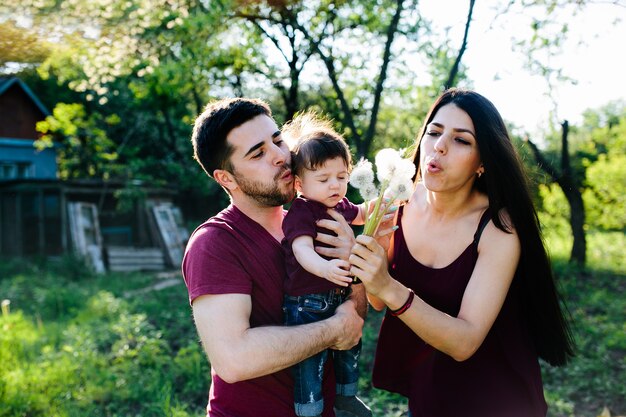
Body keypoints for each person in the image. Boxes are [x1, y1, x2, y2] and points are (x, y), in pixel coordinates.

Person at [348, 88, 575, 417]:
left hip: (498, 401)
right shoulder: (399, 200)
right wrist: (375, 266)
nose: (439, 146)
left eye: (461, 140)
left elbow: (464, 341)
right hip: (428, 395)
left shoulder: (498, 227)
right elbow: (380, 301)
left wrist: (387, 286)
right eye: (434, 132)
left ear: (482, 161)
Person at [182, 97, 366, 417]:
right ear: (226, 178)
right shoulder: (214, 244)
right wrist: (333, 330)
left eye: (277, 140)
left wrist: (353, 270)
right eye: (259, 153)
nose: (281, 156)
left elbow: (355, 314)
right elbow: (234, 360)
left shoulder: (316, 220)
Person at [280, 112, 372, 417]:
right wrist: (324, 268)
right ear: (299, 183)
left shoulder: (339, 204)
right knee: (311, 359)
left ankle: (346, 396)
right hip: (306, 302)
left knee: (348, 347)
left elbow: (360, 213)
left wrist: (388, 204)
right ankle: (309, 409)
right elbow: (302, 249)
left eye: (342, 177)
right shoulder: (302, 211)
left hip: (336, 297)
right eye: (324, 179)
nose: (335, 186)